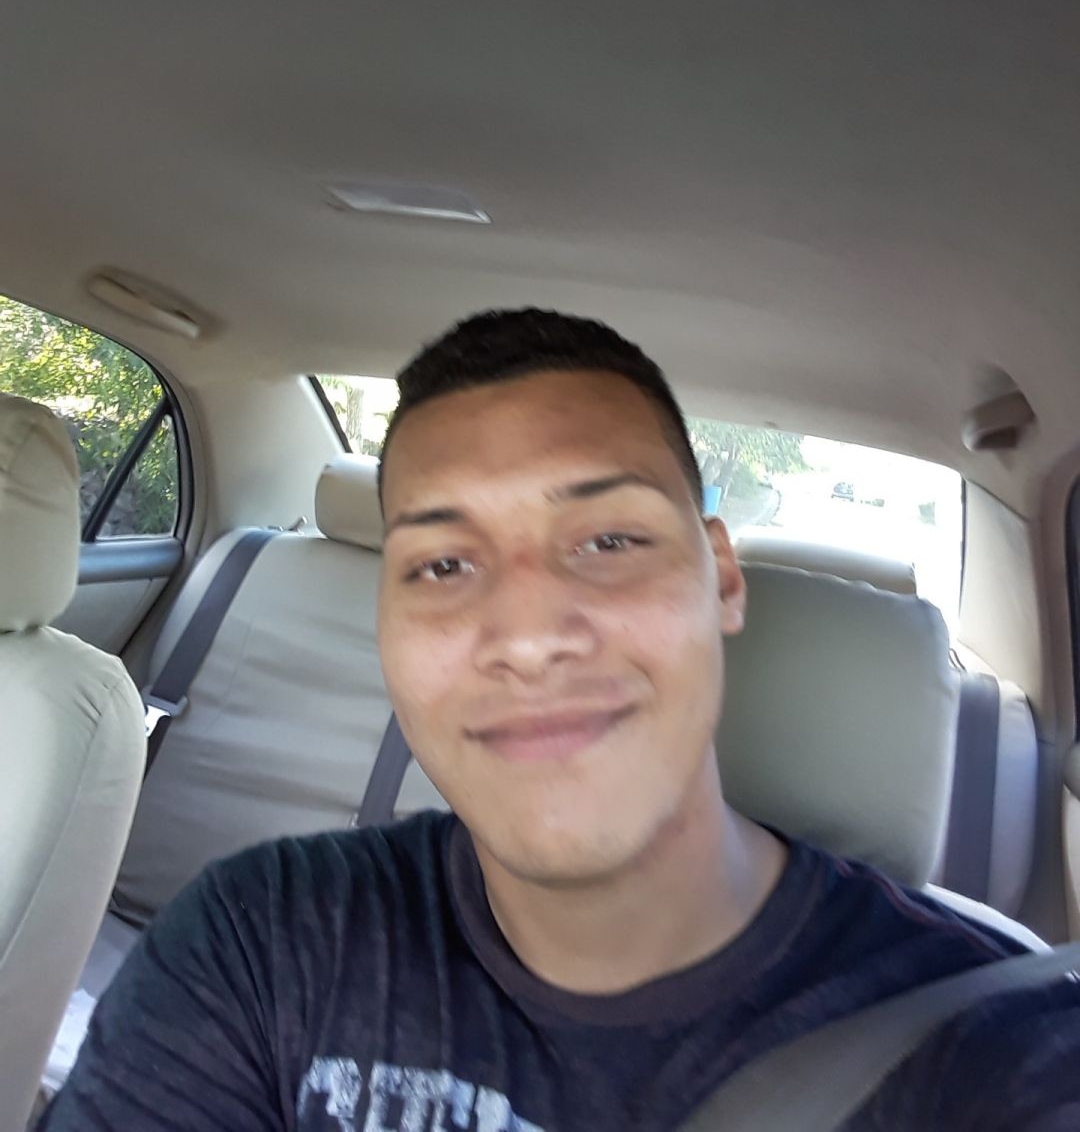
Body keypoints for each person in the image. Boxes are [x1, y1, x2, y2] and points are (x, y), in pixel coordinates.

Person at [42, 309, 1080, 1130]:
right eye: (443, 564)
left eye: (609, 541)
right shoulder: (260, 940)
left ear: (722, 579)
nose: (529, 636)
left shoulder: (996, 1044)